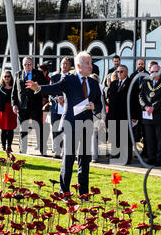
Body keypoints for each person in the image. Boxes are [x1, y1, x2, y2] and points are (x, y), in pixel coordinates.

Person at [25, 51, 103, 196]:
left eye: (91, 63)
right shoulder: (69, 79)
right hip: (70, 125)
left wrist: (95, 107)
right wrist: (39, 88)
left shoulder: (93, 82)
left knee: (84, 161)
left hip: (86, 125)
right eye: (88, 63)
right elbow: (54, 87)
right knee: (68, 159)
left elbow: (99, 104)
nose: (91, 66)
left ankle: (83, 193)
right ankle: (64, 192)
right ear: (79, 65)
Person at [12, 56, 49, 155]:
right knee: (22, 130)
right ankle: (22, 150)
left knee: (39, 129)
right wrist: (14, 104)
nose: (27, 66)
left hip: (35, 106)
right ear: (22, 65)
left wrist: (38, 89)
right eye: (25, 64)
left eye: (29, 64)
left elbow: (45, 87)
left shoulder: (39, 74)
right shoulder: (18, 74)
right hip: (22, 106)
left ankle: (42, 150)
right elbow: (14, 92)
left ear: (32, 65)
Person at [139, 64, 161, 166]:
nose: (153, 74)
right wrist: (146, 107)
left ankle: (159, 159)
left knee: (159, 139)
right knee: (149, 138)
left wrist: (154, 107)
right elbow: (141, 96)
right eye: (151, 72)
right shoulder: (145, 82)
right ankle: (150, 157)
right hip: (147, 115)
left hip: (158, 115)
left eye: (155, 72)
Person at [106, 64, 135, 164]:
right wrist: (109, 117)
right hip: (114, 115)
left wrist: (134, 116)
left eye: (121, 71)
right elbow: (111, 102)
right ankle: (115, 155)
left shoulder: (131, 83)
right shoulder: (113, 84)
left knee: (125, 138)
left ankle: (126, 157)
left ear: (126, 73)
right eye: (118, 72)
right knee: (115, 137)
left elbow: (134, 101)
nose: (119, 73)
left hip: (126, 115)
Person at [49, 57, 72, 158]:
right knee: (56, 130)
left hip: (68, 110)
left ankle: (65, 151)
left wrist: (66, 98)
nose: (65, 65)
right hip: (56, 109)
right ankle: (57, 151)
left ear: (70, 66)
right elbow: (50, 92)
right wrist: (57, 98)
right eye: (63, 63)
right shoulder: (54, 78)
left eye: (67, 64)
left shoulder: (73, 78)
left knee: (67, 131)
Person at [0, 70, 16, 152]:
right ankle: (3, 146)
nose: (7, 78)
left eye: (8, 76)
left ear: (11, 77)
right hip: (2, 110)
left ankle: (9, 147)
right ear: (3, 77)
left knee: (10, 129)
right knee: (3, 129)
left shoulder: (14, 87)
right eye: (5, 76)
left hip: (11, 110)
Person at [90, 73, 106, 163]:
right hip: (85, 116)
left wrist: (103, 119)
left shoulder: (100, 91)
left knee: (94, 137)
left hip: (96, 116)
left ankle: (94, 156)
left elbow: (103, 106)